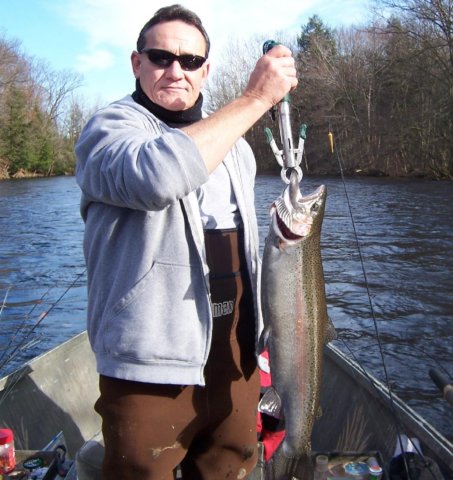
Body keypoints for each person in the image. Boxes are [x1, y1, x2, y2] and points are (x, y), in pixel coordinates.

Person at [75, 4, 297, 479]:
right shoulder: (109, 131)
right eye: (160, 57)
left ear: (206, 69)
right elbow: (159, 175)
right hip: (149, 364)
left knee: (229, 469)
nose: (176, 71)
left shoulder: (235, 147)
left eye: (191, 61)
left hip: (234, 360)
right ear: (137, 64)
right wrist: (256, 99)